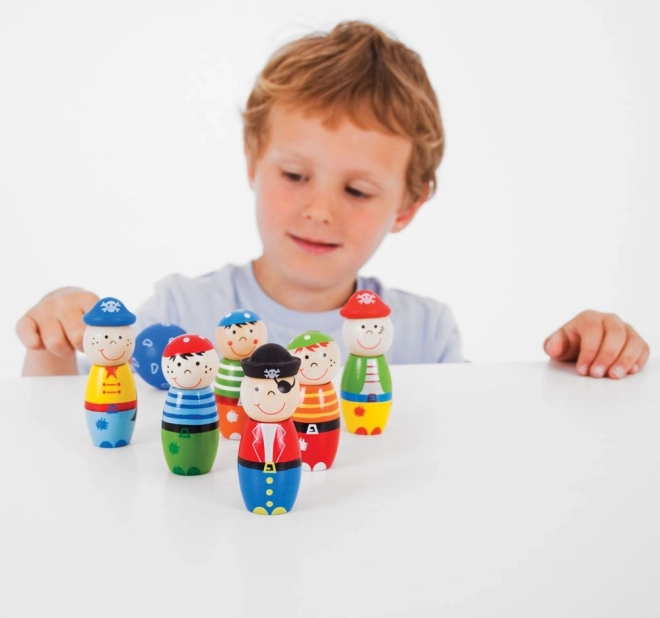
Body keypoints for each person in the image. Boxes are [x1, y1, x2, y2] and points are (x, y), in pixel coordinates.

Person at [15, 21, 650, 379]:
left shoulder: (423, 335)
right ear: (253, 162)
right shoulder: (181, 311)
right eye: (295, 175)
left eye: (357, 190)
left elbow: (472, 455)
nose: (320, 210)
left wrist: (584, 363)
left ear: (408, 205)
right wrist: (53, 342)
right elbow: (78, 432)